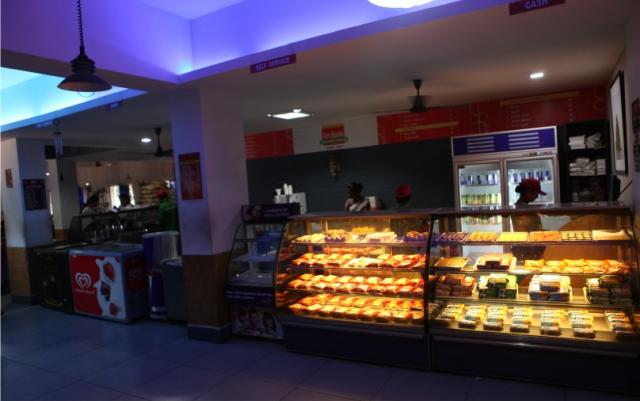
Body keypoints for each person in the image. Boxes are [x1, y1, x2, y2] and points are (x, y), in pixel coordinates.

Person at [511, 178, 545, 260]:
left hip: (525, 248)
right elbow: (528, 231)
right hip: (527, 250)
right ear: (529, 192)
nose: (537, 196)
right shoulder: (523, 210)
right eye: (536, 193)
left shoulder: (520, 207)